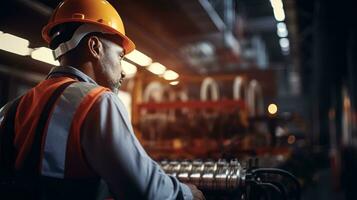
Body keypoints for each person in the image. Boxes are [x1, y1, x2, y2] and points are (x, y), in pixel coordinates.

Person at [0, 0, 205, 199]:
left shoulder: (12, 108)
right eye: (120, 56)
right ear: (95, 46)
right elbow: (143, 189)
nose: (123, 71)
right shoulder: (97, 102)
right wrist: (187, 194)